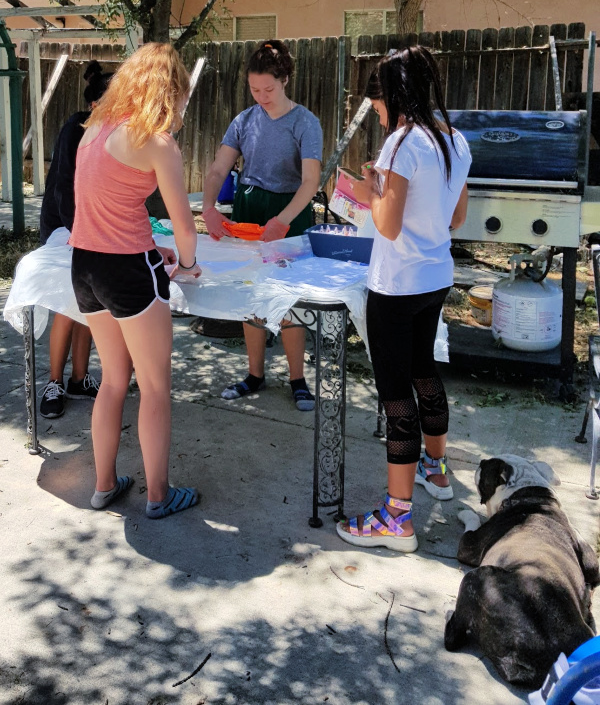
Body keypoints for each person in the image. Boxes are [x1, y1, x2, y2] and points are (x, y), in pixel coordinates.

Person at [336, 46, 472, 553]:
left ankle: (396, 518)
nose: (378, 112)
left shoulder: (399, 145)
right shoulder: (455, 141)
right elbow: (457, 218)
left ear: (393, 95)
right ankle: (435, 471)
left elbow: (387, 225)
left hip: (395, 285)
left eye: (378, 106)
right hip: (435, 275)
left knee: (396, 393)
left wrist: (370, 188)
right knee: (424, 371)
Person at [69, 43, 202, 518]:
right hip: (127, 269)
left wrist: (155, 246)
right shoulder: (157, 141)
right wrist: (185, 261)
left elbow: (109, 206)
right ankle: (159, 495)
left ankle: (104, 485)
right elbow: (186, 229)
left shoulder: (93, 131)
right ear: (170, 92)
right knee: (155, 386)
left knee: (112, 381)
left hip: (84, 264)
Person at [202, 40, 322, 412]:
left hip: (291, 212)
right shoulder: (244, 120)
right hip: (249, 210)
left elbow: (310, 183)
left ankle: (298, 379)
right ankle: (254, 374)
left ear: (284, 80)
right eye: (255, 90)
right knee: (251, 294)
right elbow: (219, 168)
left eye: (268, 89)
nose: (262, 96)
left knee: (289, 300)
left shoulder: (305, 121)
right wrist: (207, 207)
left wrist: (283, 220)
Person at [38, 61, 111, 419]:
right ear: (96, 104)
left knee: (89, 305)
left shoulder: (113, 134)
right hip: (63, 228)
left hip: (92, 228)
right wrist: (78, 232)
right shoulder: (74, 130)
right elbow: (64, 190)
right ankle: (54, 380)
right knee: (67, 304)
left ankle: (79, 378)